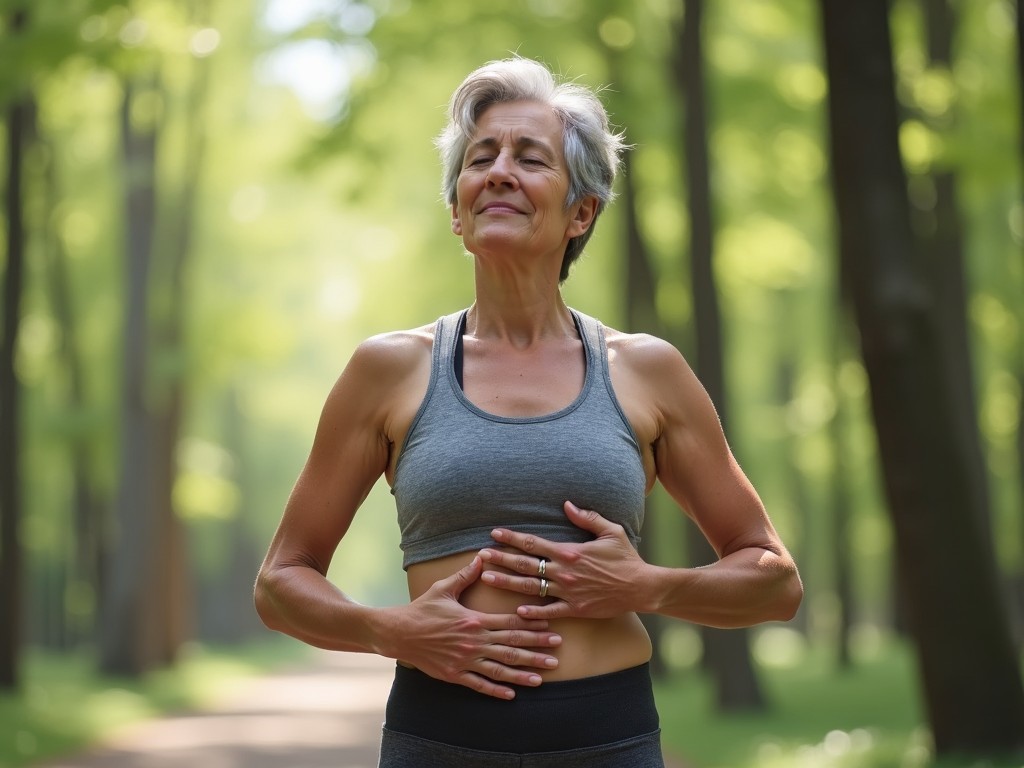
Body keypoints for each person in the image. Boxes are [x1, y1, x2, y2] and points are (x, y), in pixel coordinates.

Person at [254, 56, 802, 767]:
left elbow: (774, 580)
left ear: (582, 211)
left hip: (607, 738)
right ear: (458, 209)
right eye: (481, 157)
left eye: (530, 156)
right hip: (437, 738)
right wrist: (394, 631)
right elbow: (280, 582)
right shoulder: (388, 370)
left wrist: (648, 586)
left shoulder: (646, 371)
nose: (500, 170)